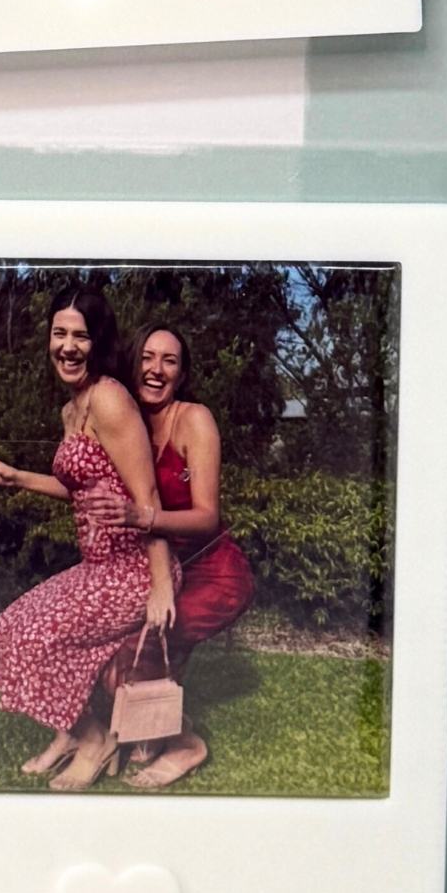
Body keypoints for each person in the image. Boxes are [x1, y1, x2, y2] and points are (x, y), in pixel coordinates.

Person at [0, 290, 176, 792]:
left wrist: (161, 583)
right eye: (59, 334)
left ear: (98, 341)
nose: (67, 346)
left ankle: (94, 739)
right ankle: (71, 732)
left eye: (80, 335)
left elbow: (146, 495)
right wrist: (16, 477)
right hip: (97, 569)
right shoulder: (73, 408)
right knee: (11, 628)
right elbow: (81, 488)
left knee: (30, 636)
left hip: (132, 571)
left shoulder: (108, 398)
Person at [107, 324, 255, 789]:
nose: (156, 370)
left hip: (214, 571)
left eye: (169, 361)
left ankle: (185, 740)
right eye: (148, 358)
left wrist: (142, 518)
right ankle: (149, 727)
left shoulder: (194, 419)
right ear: (134, 364)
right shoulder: (123, 423)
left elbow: (207, 517)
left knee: (141, 646)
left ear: (182, 372)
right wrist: (18, 477)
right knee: (112, 652)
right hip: (162, 568)